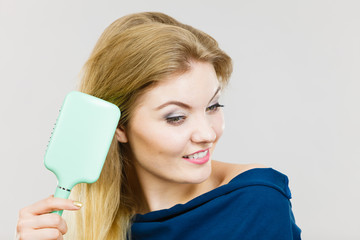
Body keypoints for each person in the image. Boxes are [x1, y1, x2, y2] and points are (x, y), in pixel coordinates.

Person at [16, 12, 301, 240]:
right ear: (119, 126)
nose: (208, 134)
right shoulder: (83, 223)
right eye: (176, 117)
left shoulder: (255, 203)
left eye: (213, 107)